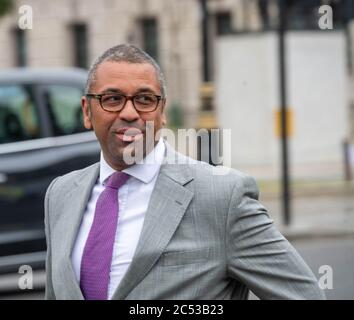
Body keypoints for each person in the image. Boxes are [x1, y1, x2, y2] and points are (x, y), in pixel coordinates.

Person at [44, 44, 325, 300]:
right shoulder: (60, 195)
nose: (129, 113)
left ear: (162, 111)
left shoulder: (223, 197)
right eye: (113, 99)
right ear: (87, 111)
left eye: (144, 99)